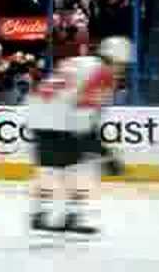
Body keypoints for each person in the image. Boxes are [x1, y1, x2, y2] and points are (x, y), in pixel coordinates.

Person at [26, 36, 132, 234]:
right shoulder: (104, 73)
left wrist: (100, 149)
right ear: (116, 60)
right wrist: (106, 153)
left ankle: (41, 214)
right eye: (123, 65)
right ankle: (70, 216)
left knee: (50, 167)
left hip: (38, 109)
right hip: (58, 115)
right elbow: (84, 119)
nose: (123, 71)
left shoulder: (82, 61)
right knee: (76, 167)